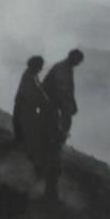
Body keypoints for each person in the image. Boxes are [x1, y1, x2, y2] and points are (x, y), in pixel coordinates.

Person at [40, 49, 85, 202]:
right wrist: (64, 118)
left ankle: (49, 190)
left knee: (52, 153)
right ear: (74, 59)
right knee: (54, 155)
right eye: (78, 61)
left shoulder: (64, 68)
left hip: (53, 114)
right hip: (52, 115)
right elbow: (61, 94)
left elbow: (66, 94)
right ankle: (49, 193)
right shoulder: (62, 70)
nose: (78, 64)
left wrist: (71, 107)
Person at [12, 55, 53, 173]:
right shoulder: (30, 77)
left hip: (24, 110)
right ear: (35, 66)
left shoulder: (31, 75)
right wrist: (46, 103)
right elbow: (37, 93)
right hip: (24, 111)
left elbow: (39, 92)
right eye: (40, 66)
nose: (41, 69)